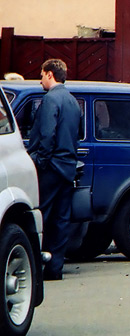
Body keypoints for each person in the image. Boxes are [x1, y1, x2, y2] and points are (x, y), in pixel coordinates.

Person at [27, 58, 81, 280]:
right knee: (61, 219)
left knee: (43, 217)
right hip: (68, 167)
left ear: (50, 74)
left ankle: (35, 267)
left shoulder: (50, 99)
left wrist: (40, 161)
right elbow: (75, 135)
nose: (40, 80)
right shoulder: (72, 101)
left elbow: (47, 134)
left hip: (50, 167)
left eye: (41, 75)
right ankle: (55, 268)